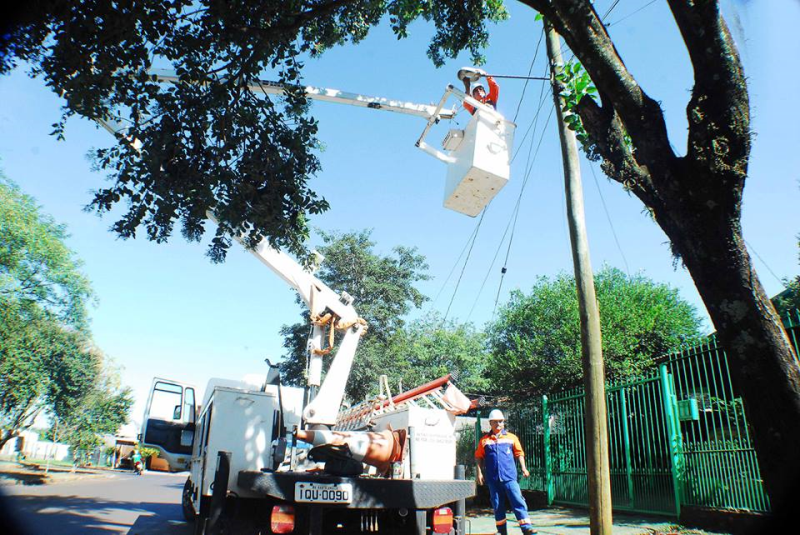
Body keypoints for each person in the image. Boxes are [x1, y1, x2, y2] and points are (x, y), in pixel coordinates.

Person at [475, 409, 536, 535]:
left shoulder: (511, 438)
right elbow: (479, 457)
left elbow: (519, 453)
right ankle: (502, 531)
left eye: (501, 421)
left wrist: (523, 468)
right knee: (497, 504)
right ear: (490, 423)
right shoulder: (484, 441)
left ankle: (527, 528)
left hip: (509, 477)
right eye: (495, 422)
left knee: (518, 500)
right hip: (493, 479)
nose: (499, 424)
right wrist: (479, 473)